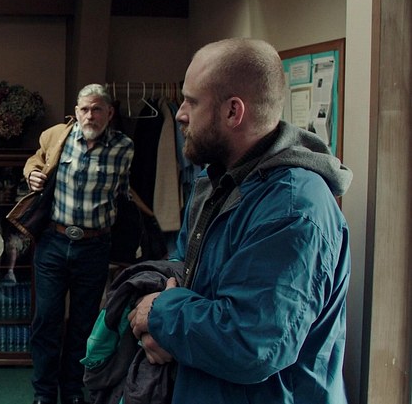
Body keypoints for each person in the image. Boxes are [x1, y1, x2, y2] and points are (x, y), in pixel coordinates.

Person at [128, 38, 352, 404]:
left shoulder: (294, 209)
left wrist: (160, 314)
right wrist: (159, 318)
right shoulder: (216, 181)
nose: (181, 113)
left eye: (192, 102)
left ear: (234, 112)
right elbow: (183, 273)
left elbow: (251, 344)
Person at [25, 84, 134, 404]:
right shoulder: (57, 136)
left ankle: (73, 390)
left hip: (94, 247)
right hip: (53, 243)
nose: (90, 115)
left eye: (97, 109)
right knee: (47, 320)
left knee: (83, 324)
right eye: (84, 109)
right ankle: (44, 393)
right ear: (76, 111)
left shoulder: (124, 147)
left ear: (109, 112)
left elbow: (124, 194)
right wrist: (31, 173)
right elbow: (34, 159)